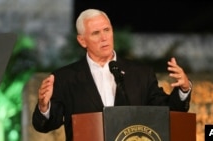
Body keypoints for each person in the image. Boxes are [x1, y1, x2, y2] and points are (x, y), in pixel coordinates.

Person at [32, 8, 192, 141]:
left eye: (107, 30)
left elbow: (166, 113)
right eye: (95, 33)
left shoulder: (140, 74)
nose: (104, 38)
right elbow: (46, 125)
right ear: (82, 41)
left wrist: (183, 90)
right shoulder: (66, 78)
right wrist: (44, 107)